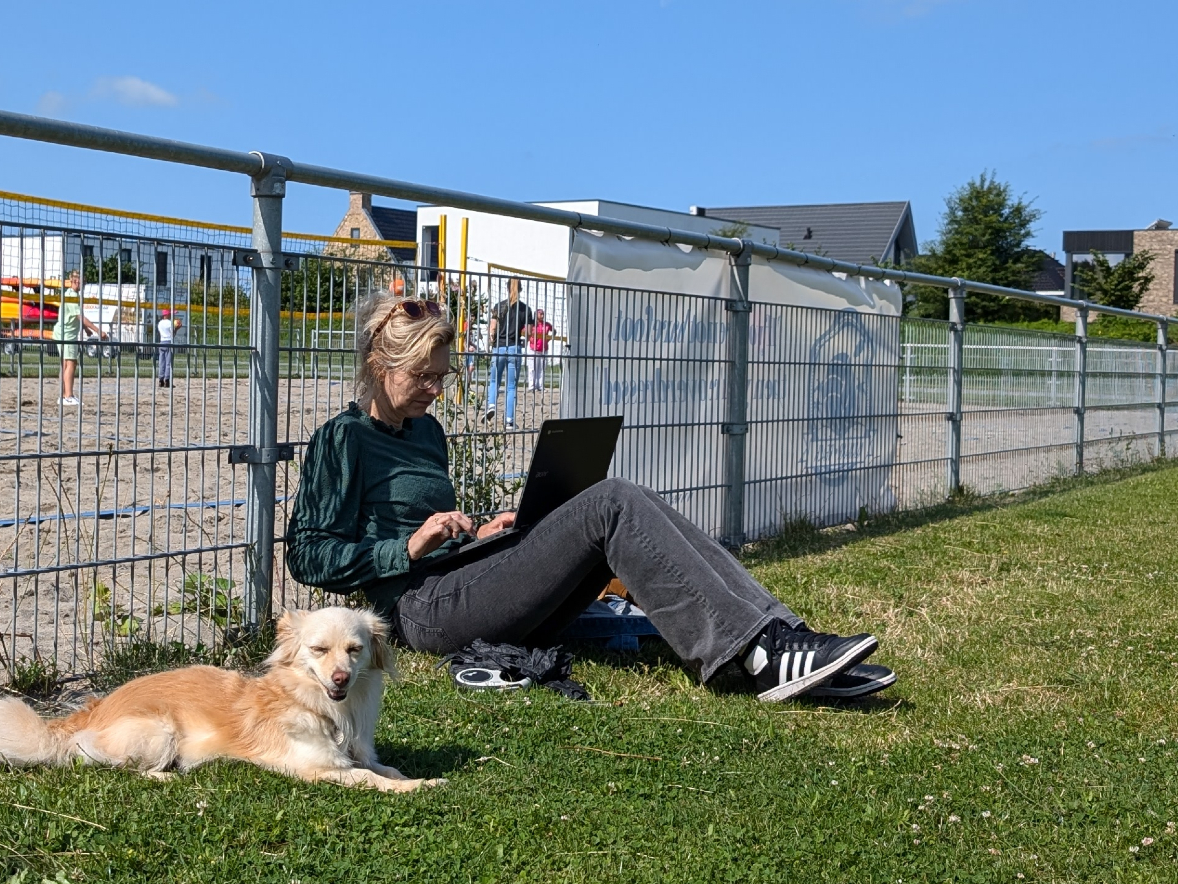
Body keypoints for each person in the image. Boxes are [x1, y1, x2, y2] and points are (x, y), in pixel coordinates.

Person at [286, 292, 896, 703]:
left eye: (441, 376)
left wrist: (481, 534)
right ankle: (758, 655)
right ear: (378, 363)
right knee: (614, 501)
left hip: (459, 576)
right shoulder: (344, 440)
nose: (434, 390)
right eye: (422, 375)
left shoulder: (427, 432)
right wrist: (407, 547)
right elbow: (309, 555)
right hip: (419, 609)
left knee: (615, 511)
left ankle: (781, 637)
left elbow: (430, 528)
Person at [484, 278, 533, 425]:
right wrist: (526, 339)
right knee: (511, 386)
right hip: (514, 347)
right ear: (520, 289)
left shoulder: (499, 306)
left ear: (506, 288)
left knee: (494, 380)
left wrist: (492, 340)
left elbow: (492, 328)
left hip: (499, 347)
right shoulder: (525, 309)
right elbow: (529, 332)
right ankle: (509, 420)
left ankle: (491, 404)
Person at [55, 269, 105, 407]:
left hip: (64, 332)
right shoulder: (71, 296)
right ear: (75, 281)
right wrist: (97, 330)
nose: (81, 284)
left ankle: (64, 396)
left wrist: (87, 330)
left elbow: (75, 317)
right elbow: (80, 317)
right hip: (67, 334)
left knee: (65, 365)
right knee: (71, 364)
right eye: (81, 281)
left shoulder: (71, 295)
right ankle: (69, 396)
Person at [526, 307, 554, 394]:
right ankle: (531, 386)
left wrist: (548, 339)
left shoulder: (547, 325)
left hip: (543, 349)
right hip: (533, 349)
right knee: (532, 368)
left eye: (543, 314)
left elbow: (554, 331)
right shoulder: (532, 325)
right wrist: (529, 339)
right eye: (540, 313)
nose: (542, 315)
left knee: (542, 369)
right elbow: (524, 331)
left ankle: (540, 386)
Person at [155, 309, 176, 388]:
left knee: (161, 362)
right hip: (168, 342)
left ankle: (161, 380)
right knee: (168, 363)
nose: (171, 315)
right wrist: (176, 329)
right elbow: (172, 334)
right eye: (170, 314)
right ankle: (167, 380)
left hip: (162, 342)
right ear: (166, 315)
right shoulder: (170, 323)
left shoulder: (159, 323)